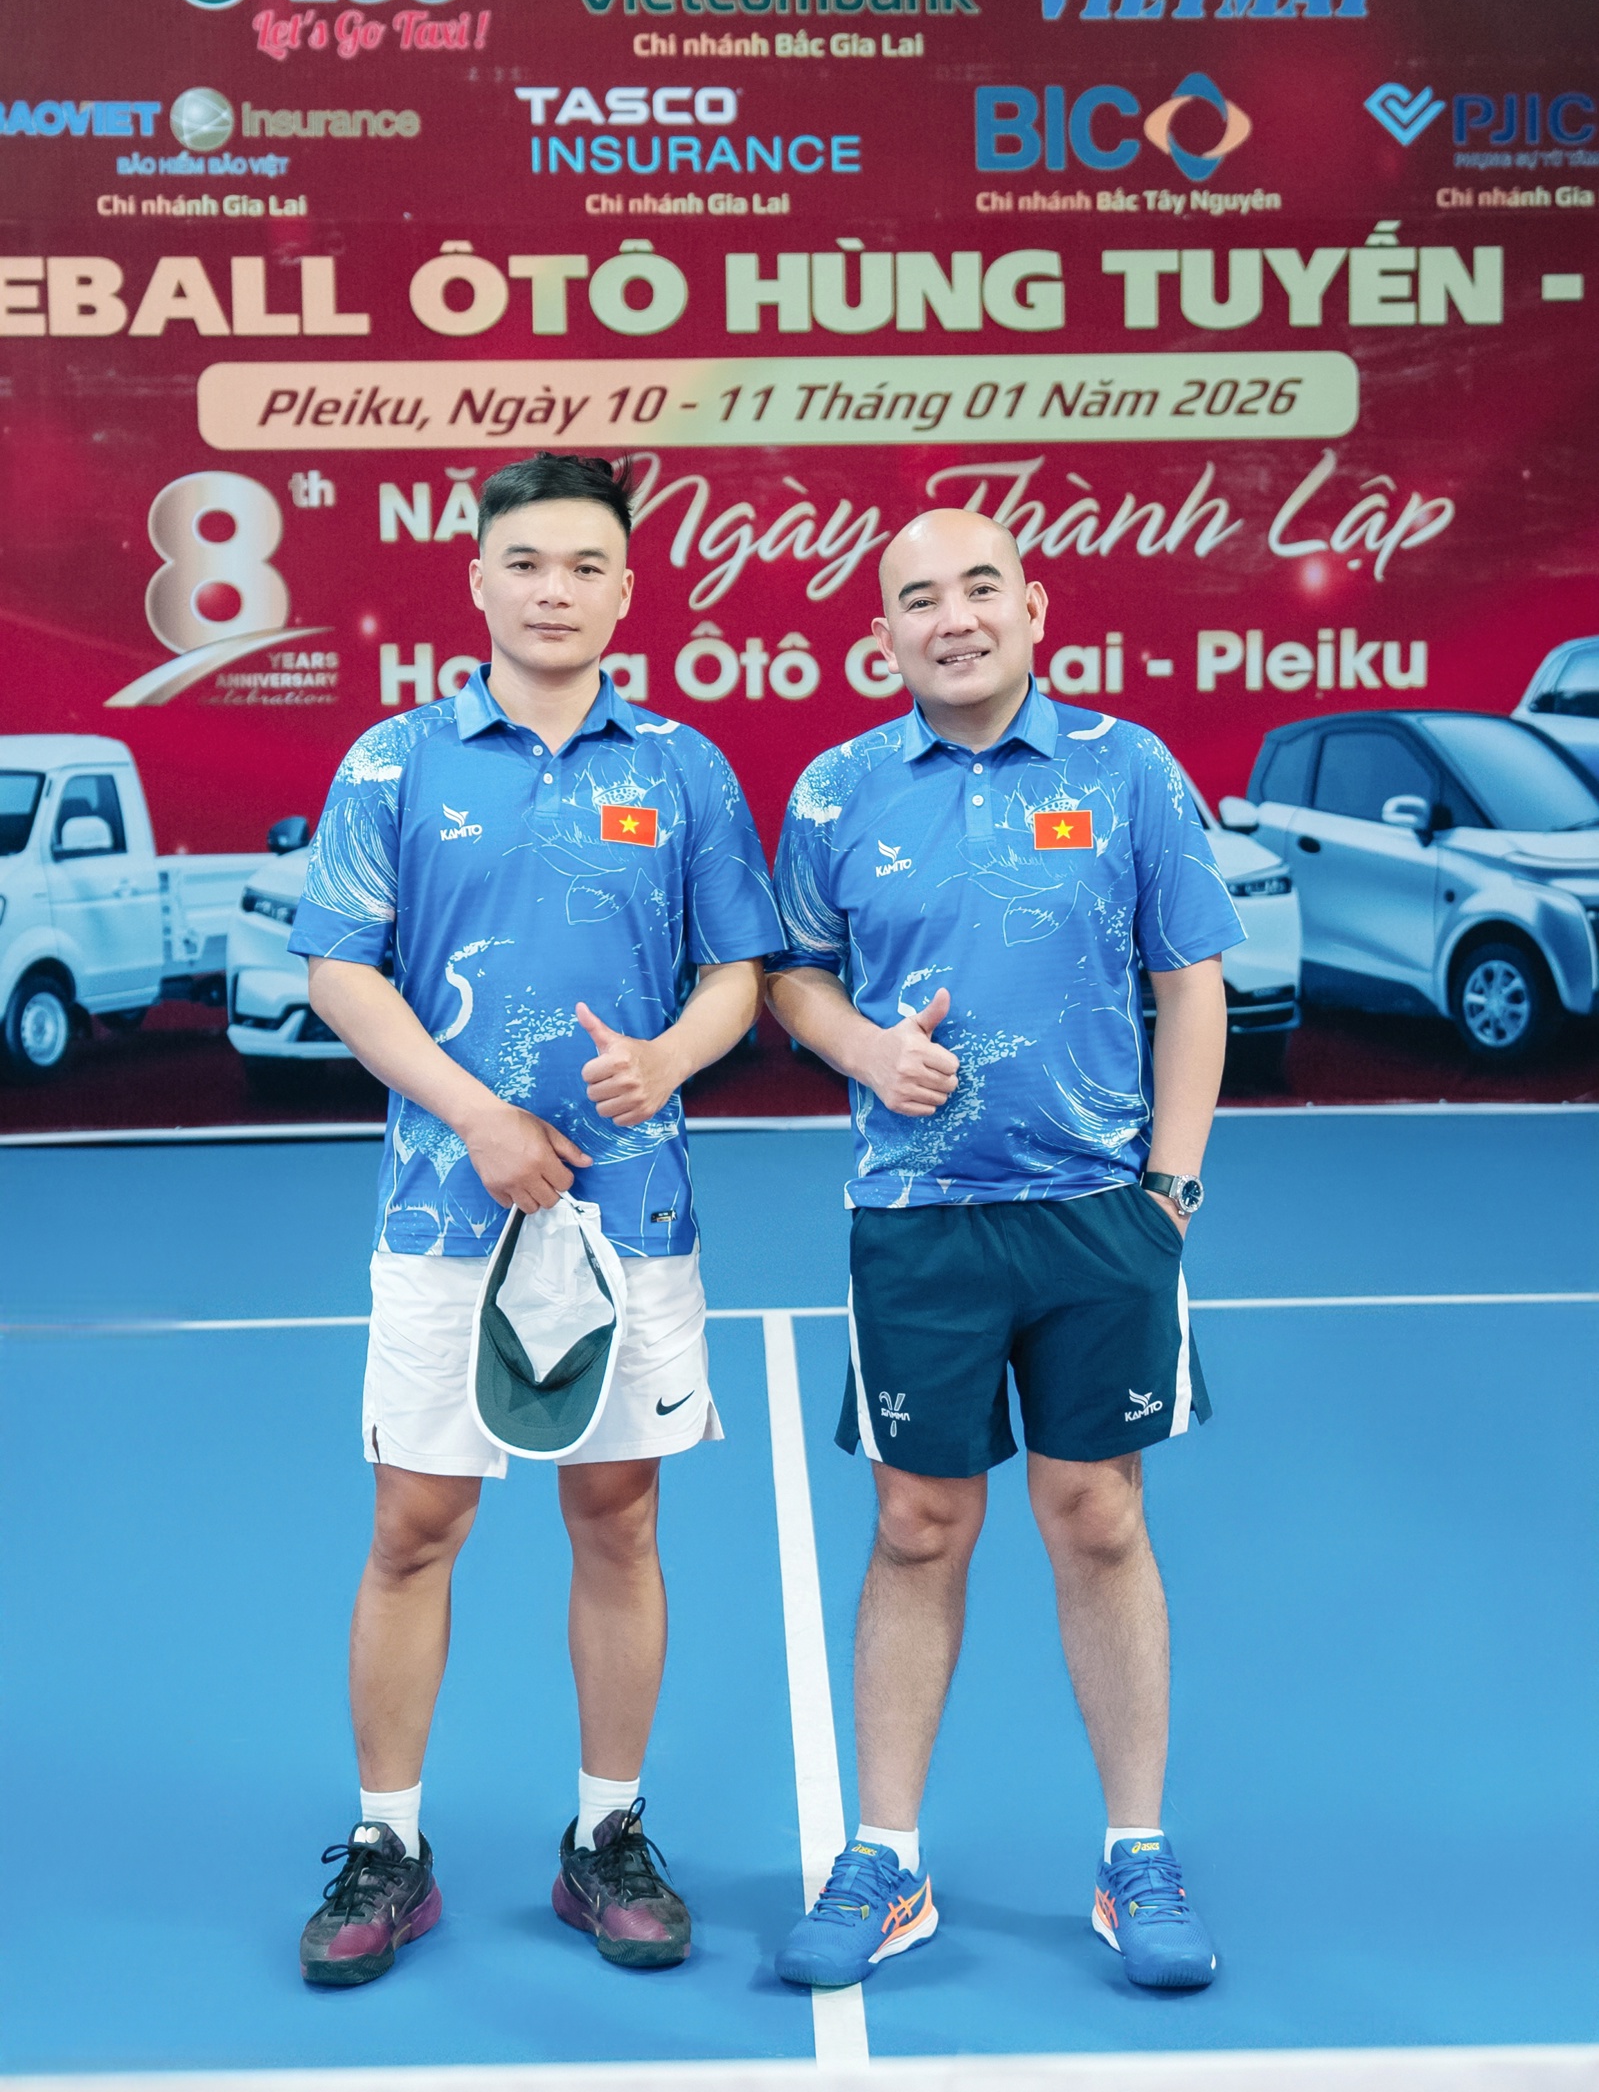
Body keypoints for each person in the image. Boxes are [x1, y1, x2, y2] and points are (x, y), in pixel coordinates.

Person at [287, 452, 781, 1987]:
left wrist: (672, 1058)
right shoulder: (395, 762)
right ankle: (387, 1847)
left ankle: (606, 1837)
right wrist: (482, 1120)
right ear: (479, 581)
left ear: (625, 590)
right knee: (414, 1529)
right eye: (525, 563)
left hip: (632, 1214)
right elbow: (341, 971)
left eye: (583, 565)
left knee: (618, 1518)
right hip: (446, 1208)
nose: (553, 590)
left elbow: (742, 974)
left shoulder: (684, 769)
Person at [766, 506, 1243, 1994]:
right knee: (919, 1524)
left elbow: (1193, 981)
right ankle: (887, 1860)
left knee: (1097, 1515)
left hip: (1102, 1216)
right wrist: (863, 1047)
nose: (954, 617)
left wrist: (1172, 1192)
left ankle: (1136, 1854)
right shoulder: (837, 790)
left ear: (1035, 608)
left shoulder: (1128, 768)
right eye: (920, 599)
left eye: (981, 587)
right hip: (918, 1223)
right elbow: (792, 980)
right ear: (883, 637)